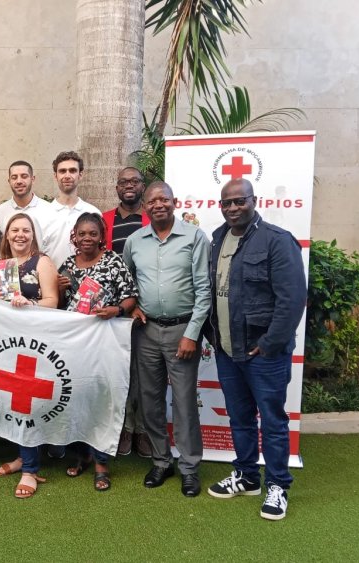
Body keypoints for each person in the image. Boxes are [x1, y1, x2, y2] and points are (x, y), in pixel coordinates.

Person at [205, 179, 306, 521]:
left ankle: (277, 485)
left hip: (264, 354)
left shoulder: (277, 240)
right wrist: (214, 337)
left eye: (240, 201)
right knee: (240, 418)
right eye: (227, 203)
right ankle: (247, 476)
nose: (233, 208)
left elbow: (292, 300)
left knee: (273, 421)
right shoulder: (218, 238)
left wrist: (268, 345)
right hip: (227, 351)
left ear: (253, 200)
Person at [123, 181, 210, 497]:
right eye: (152, 200)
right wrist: (132, 307)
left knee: (185, 403)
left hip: (182, 332)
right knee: (150, 401)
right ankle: (161, 461)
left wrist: (191, 334)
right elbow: (127, 283)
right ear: (145, 206)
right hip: (146, 332)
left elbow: (204, 290)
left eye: (164, 199)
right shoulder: (134, 241)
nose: (158, 204)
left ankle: (189, 468)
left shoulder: (195, 237)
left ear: (175, 202)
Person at [58, 213, 137, 491]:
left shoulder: (113, 261)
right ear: (74, 236)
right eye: (82, 234)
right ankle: (82, 455)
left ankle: (102, 463)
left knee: (102, 399)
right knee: (76, 397)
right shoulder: (68, 264)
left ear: (101, 236)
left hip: (105, 341)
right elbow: (59, 305)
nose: (87, 239)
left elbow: (131, 296)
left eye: (93, 233)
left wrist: (117, 310)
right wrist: (58, 288)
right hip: (75, 345)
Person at [0, 213, 58, 499]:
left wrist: (29, 303)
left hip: (35, 342)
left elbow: (53, 301)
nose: (20, 235)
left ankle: (30, 469)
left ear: (33, 235)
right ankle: (22, 456)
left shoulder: (42, 262)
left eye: (26, 230)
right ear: (6, 235)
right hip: (8, 342)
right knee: (14, 401)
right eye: (14, 230)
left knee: (28, 402)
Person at [101, 166, 152, 458]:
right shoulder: (105, 220)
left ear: (143, 186)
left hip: (144, 309)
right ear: (117, 187)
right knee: (118, 372)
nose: (129, 186)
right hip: (113, 310)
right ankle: (123, 428)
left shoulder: (152, 218)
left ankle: (142, 429)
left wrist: (138, 304)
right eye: (123, 182)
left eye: (134, 181)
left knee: (144, 373)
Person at [44, 151, 101, 268]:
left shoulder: (94, 213)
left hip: (86, 277)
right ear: (55, 176)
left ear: (80, 175)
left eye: (72, 170)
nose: (67, 175)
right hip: (51, 278)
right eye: (62, 171)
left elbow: (100, 251)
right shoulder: (42, 214)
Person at [0, 160, 54, 243]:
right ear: (9, 181)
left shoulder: (49, 210)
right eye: (14, 177)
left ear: (32, 179)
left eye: (24, 176)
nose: (19, 181)